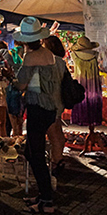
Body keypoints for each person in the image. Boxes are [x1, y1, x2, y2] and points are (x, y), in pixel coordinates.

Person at [13, 17, 62, 214]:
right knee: (36, 152)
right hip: (50, 108)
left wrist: (11, 78)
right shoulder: (49, 54)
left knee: (35, 154)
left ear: (25, 41)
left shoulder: (30, 57)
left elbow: (21, 84)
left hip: (38, 108)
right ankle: (43, 195)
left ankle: (46, 200)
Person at [42, 35, 68, 171]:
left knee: (53, 134)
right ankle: (58, 158)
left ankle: (57, 161)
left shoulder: (49, 62)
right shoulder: (61, 62)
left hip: (49, 101)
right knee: (57, 131)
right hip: (58, 100)